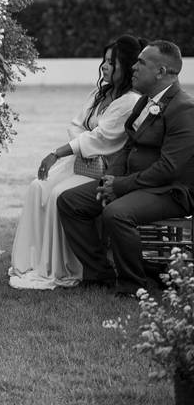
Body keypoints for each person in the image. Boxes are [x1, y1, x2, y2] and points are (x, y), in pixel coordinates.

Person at [58, 40, 194, 297]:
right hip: (134, 183)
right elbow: (129, 146)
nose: (133, 67)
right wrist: (111, 179)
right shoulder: (144, 102)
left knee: (116, 213)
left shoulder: (184, 108)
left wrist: (119, 187)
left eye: (141, 63)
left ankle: (133, 285)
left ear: (161, 72)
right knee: (70, 201)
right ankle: (100, 273)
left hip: (170, 191)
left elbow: (169, 168)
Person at [9, 35, 143, 290]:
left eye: (112, 63)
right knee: (39, 186)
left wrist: (62, 151)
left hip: (104, 168)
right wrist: (83, 144)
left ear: (126, 66)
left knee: (60, 193)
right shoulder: (100, 93)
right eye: (104, 60)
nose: (105, 66)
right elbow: (76, 125)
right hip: (81, 160)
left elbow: (103, 138)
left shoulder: (129, 102)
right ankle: (39, 262)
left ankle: (70, 266)